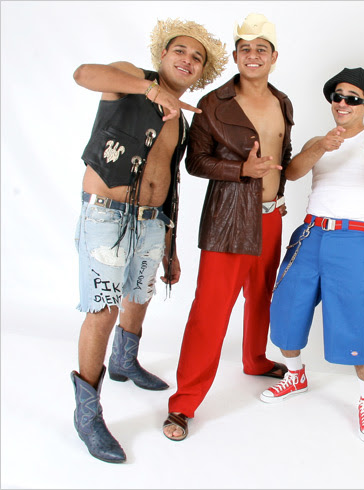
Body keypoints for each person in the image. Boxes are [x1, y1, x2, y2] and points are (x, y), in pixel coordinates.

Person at [71, 19, 227, 463]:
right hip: (108, 213)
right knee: (102, 310)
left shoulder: (183, 120)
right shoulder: (128, 77)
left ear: (201, 72)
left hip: (153, 221)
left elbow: (171, 180)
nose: (187, 60)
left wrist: (170, 247)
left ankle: (125, 361)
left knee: (139, 295)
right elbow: (83, 73)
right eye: (180, 51)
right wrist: (149, 89)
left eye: (196, 58)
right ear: (163, 54)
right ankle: (87, 414)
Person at [163, 13, 294, 441]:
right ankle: (183, 404)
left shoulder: (283, 101)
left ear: (274, 56)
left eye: (261, 49)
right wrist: (241, 170)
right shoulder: (214, 103)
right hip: (229, 221)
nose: (253, 55)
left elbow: (282, 155)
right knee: (211, 310)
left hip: (272, 215)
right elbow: (195, 162)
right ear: (236, 56)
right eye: (245, 49)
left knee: (262, 296)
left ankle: (255, 359)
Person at [259, 67, 364, 444]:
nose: (343, 103)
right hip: (310, 233)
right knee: (286, 307)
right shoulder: (318, 141)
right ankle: (295, 375)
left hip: (352, 240)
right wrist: (321, 146)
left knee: (356, 320)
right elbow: (292, 173)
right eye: (338, 96)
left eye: (353, 98)